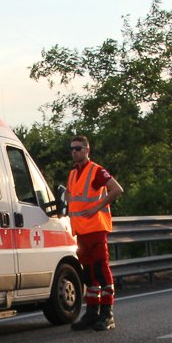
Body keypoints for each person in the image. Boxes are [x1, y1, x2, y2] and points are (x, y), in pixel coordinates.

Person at [66, 134, 124, 331]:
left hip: (96, 230)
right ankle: (92, 314)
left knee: (101, 271)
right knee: (88, 275)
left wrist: (98, 207)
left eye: (78, 148)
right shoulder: (73, 173)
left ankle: (107, 315)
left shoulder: (96, 171)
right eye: (72, 149)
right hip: (81, 232)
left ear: (87, 150)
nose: (74, 152)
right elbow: (72, 197)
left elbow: (117, 189)